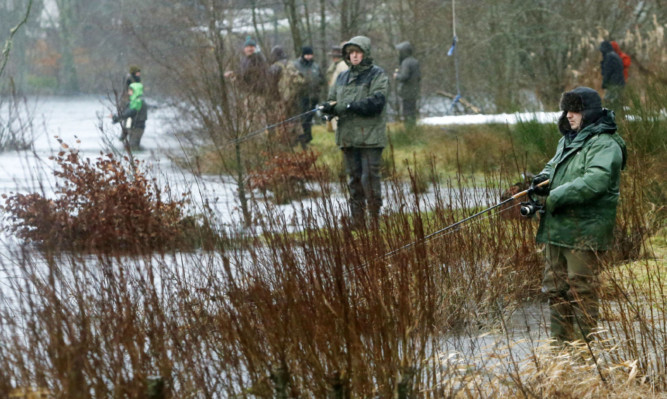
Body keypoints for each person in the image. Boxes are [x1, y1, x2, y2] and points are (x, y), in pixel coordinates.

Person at [531, 86, 626, 345]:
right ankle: (560, 349)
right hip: (558, 228)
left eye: (576, 110)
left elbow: (597, 180)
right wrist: (540, 180)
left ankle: (586, 352)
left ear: (590, 113)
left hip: (586, 232)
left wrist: (555, 197)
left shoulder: (606, 143)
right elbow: (554, 166)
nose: (569, 116)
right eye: (567, 110)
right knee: (555, 289)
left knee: (581, 290)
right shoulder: (569, 139)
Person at [320, 36, 389, 228]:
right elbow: (333, 100)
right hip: (348, 137)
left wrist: (348, 106)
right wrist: (327, 110)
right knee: (354, 181)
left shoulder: (377, 75)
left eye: (358, 52)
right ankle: (357, 221)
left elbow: (376, 103)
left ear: (365, 53)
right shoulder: (342, 77)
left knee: (370, 179)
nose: (354, 55)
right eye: (351, 52)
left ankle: (374, 221)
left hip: (371, 138)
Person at [268, 45, 305, 144]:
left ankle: (287, 142)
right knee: (295, 118)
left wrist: (273, 99)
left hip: (281, 98)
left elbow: (271, 86)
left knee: (282, 120)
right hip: (294, 96)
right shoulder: (292, 64)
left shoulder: (274, 67)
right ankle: (302, 141)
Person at [293, 46, 325, 147]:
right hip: (300, 96)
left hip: (313, 96)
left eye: (310, 55)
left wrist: (319, 86)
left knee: (309, 119)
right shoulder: (296, 66)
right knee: (302, 119)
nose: (309, 57)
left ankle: (307, 139)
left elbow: (322, 79)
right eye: (307, 55)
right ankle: (300, 140)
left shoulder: (315, 66)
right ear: (303, 55)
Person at [112, 82, 148, 150]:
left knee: (133, 147)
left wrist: (118, 118)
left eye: (130, 91)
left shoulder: (138, 102)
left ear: (135, 91)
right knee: (131, 147)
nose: (128, 93)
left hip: (137, 128)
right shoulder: (133, 101)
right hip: (133, 127)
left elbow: (129, 113)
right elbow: (127, 115)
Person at [393, 41, 421, 128]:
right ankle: (412, 129)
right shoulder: (415, 61)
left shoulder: (406, 62)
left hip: (407, 92)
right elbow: (419, 77)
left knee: (407, 112)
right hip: (414, 90)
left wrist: (396, 76)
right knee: (412, 112)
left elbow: (404, 76)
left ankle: (409, 131)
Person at [325, 45, 348, 132]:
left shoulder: (343, 65)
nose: (334, 58)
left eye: (337, 56)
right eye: (333, 56)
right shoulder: (334, 66)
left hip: (340, 95)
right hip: (334, 93)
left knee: (339, 119)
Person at [599, 40, 625, 109]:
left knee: (608, 102)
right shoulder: (615, 55)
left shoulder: (609, 57)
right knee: (616, 102)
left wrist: (604, 83)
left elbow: (607, 72)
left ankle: (610, 118)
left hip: (613, 84)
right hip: (619, 83)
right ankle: (618, 117)